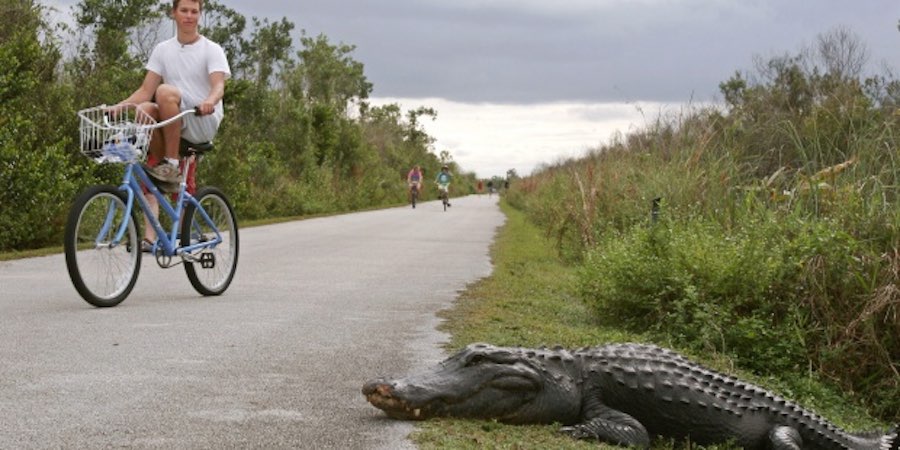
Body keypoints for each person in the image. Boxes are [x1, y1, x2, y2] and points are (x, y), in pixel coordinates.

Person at [116, 0, 231, 251]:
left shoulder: (211, 49)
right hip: (173, 119)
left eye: (194, 11)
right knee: (145, 109)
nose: (189, 16)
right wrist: (119, 106)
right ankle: (150, 235)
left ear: (200, 15)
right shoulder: (163, 49)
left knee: (165, 91)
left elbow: (218, 85)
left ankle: (171, 164)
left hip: (201, 118)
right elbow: (145, 91)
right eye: (184, 11)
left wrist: (210, 102)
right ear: (174, 13)